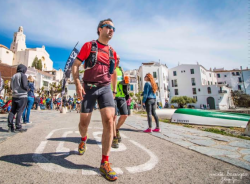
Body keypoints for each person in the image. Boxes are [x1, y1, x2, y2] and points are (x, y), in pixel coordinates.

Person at [71, 18, 118, 181]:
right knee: (84, 123)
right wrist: (77, 83)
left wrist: (114, 90)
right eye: (108, 27)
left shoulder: (113, 52)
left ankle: (105, 162)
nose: (111, 30)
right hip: (89, 87)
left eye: (113, 28)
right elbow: (75, 65)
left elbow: (114, 73)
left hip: (105, 88)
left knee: (109, 120)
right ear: (100, 29)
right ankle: (83, 139)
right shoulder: (89, 46)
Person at [111, 55, 128, 148]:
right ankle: (114, 138)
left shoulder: (121, 69)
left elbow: (122, 80)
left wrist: (125, 83)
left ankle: (116, 129)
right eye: (117, 59)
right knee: (114, 117)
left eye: (119, 59)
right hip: (112, 95)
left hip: (121, 95)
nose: (118, 60)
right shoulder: (110, 69)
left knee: (125, 115)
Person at [7, 64, 28, 132]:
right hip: (22, 96)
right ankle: (18, 126)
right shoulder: (23, 75)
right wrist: (28, 89)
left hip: (14, 95)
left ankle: (10, 126)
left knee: (13, 111)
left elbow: (11, 86)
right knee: (20, 111)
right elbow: (25, 85)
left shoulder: (13, 76)